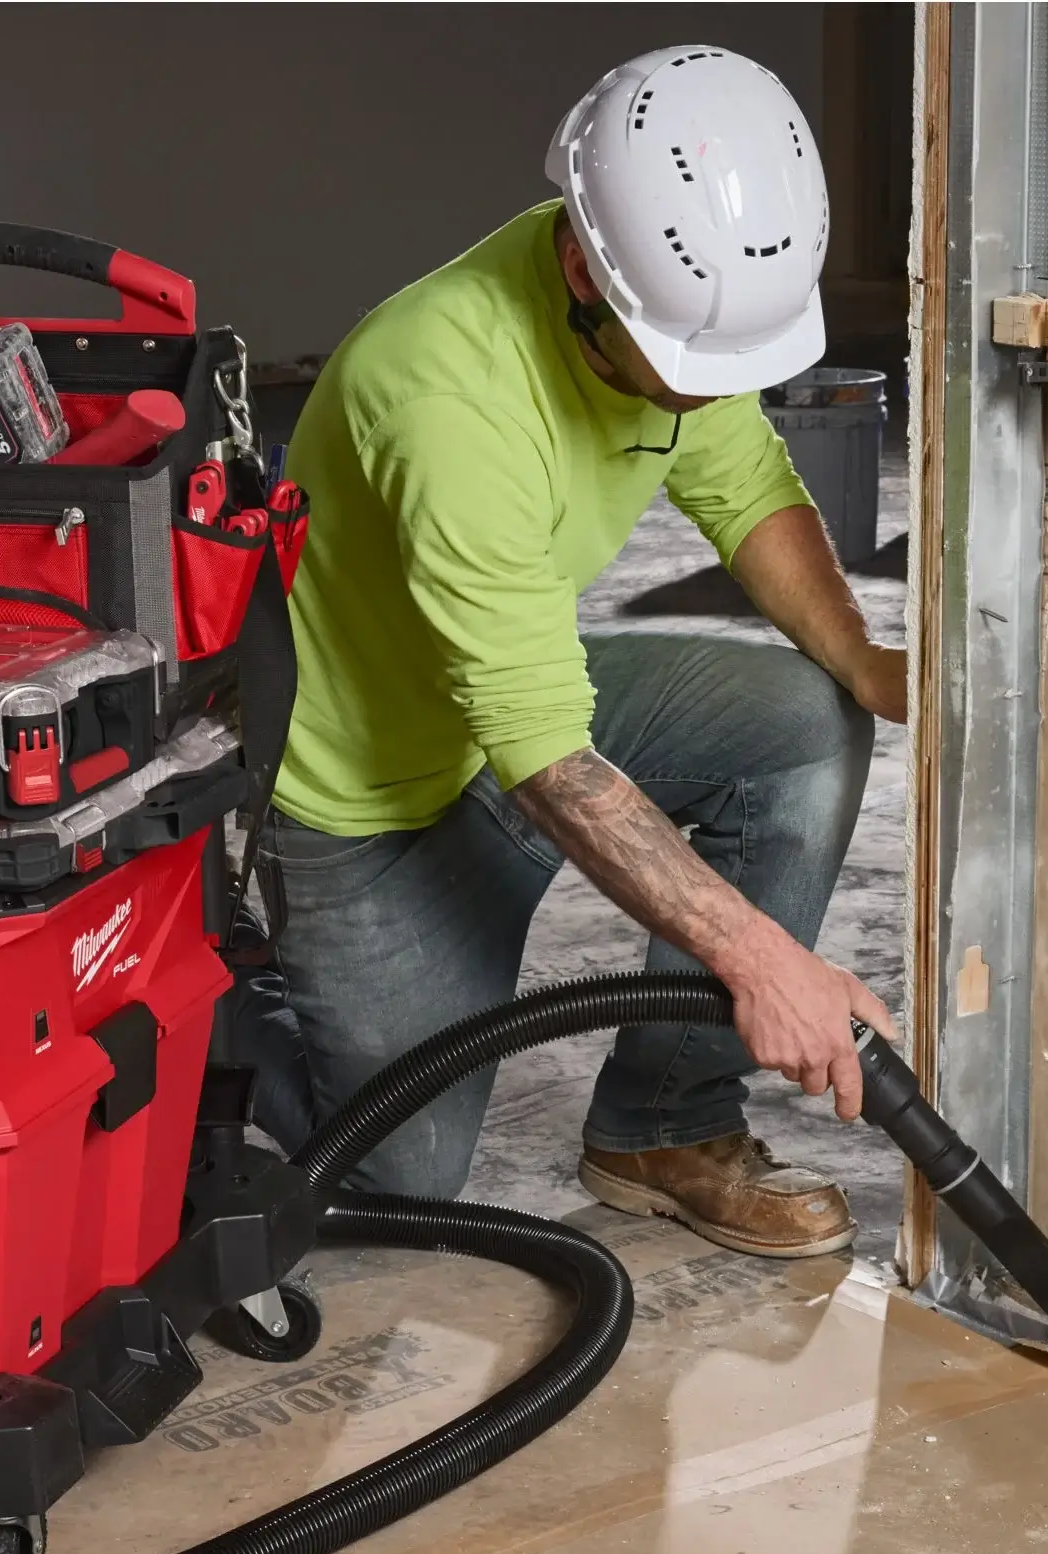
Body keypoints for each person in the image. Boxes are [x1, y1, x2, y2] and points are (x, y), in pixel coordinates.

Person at [258, 45, 904, 1259]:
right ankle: (238, 1013)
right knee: (398, 1189)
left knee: (807, 722)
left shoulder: (661, 302)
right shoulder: (444, 394)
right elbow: (547, 755)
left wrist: (864, 661)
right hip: (368, 810)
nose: (709, 394)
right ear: (579, 272)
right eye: (695, 369)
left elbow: (746, 490)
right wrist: (761, 961)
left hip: (510, 720)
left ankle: (666, 1127)